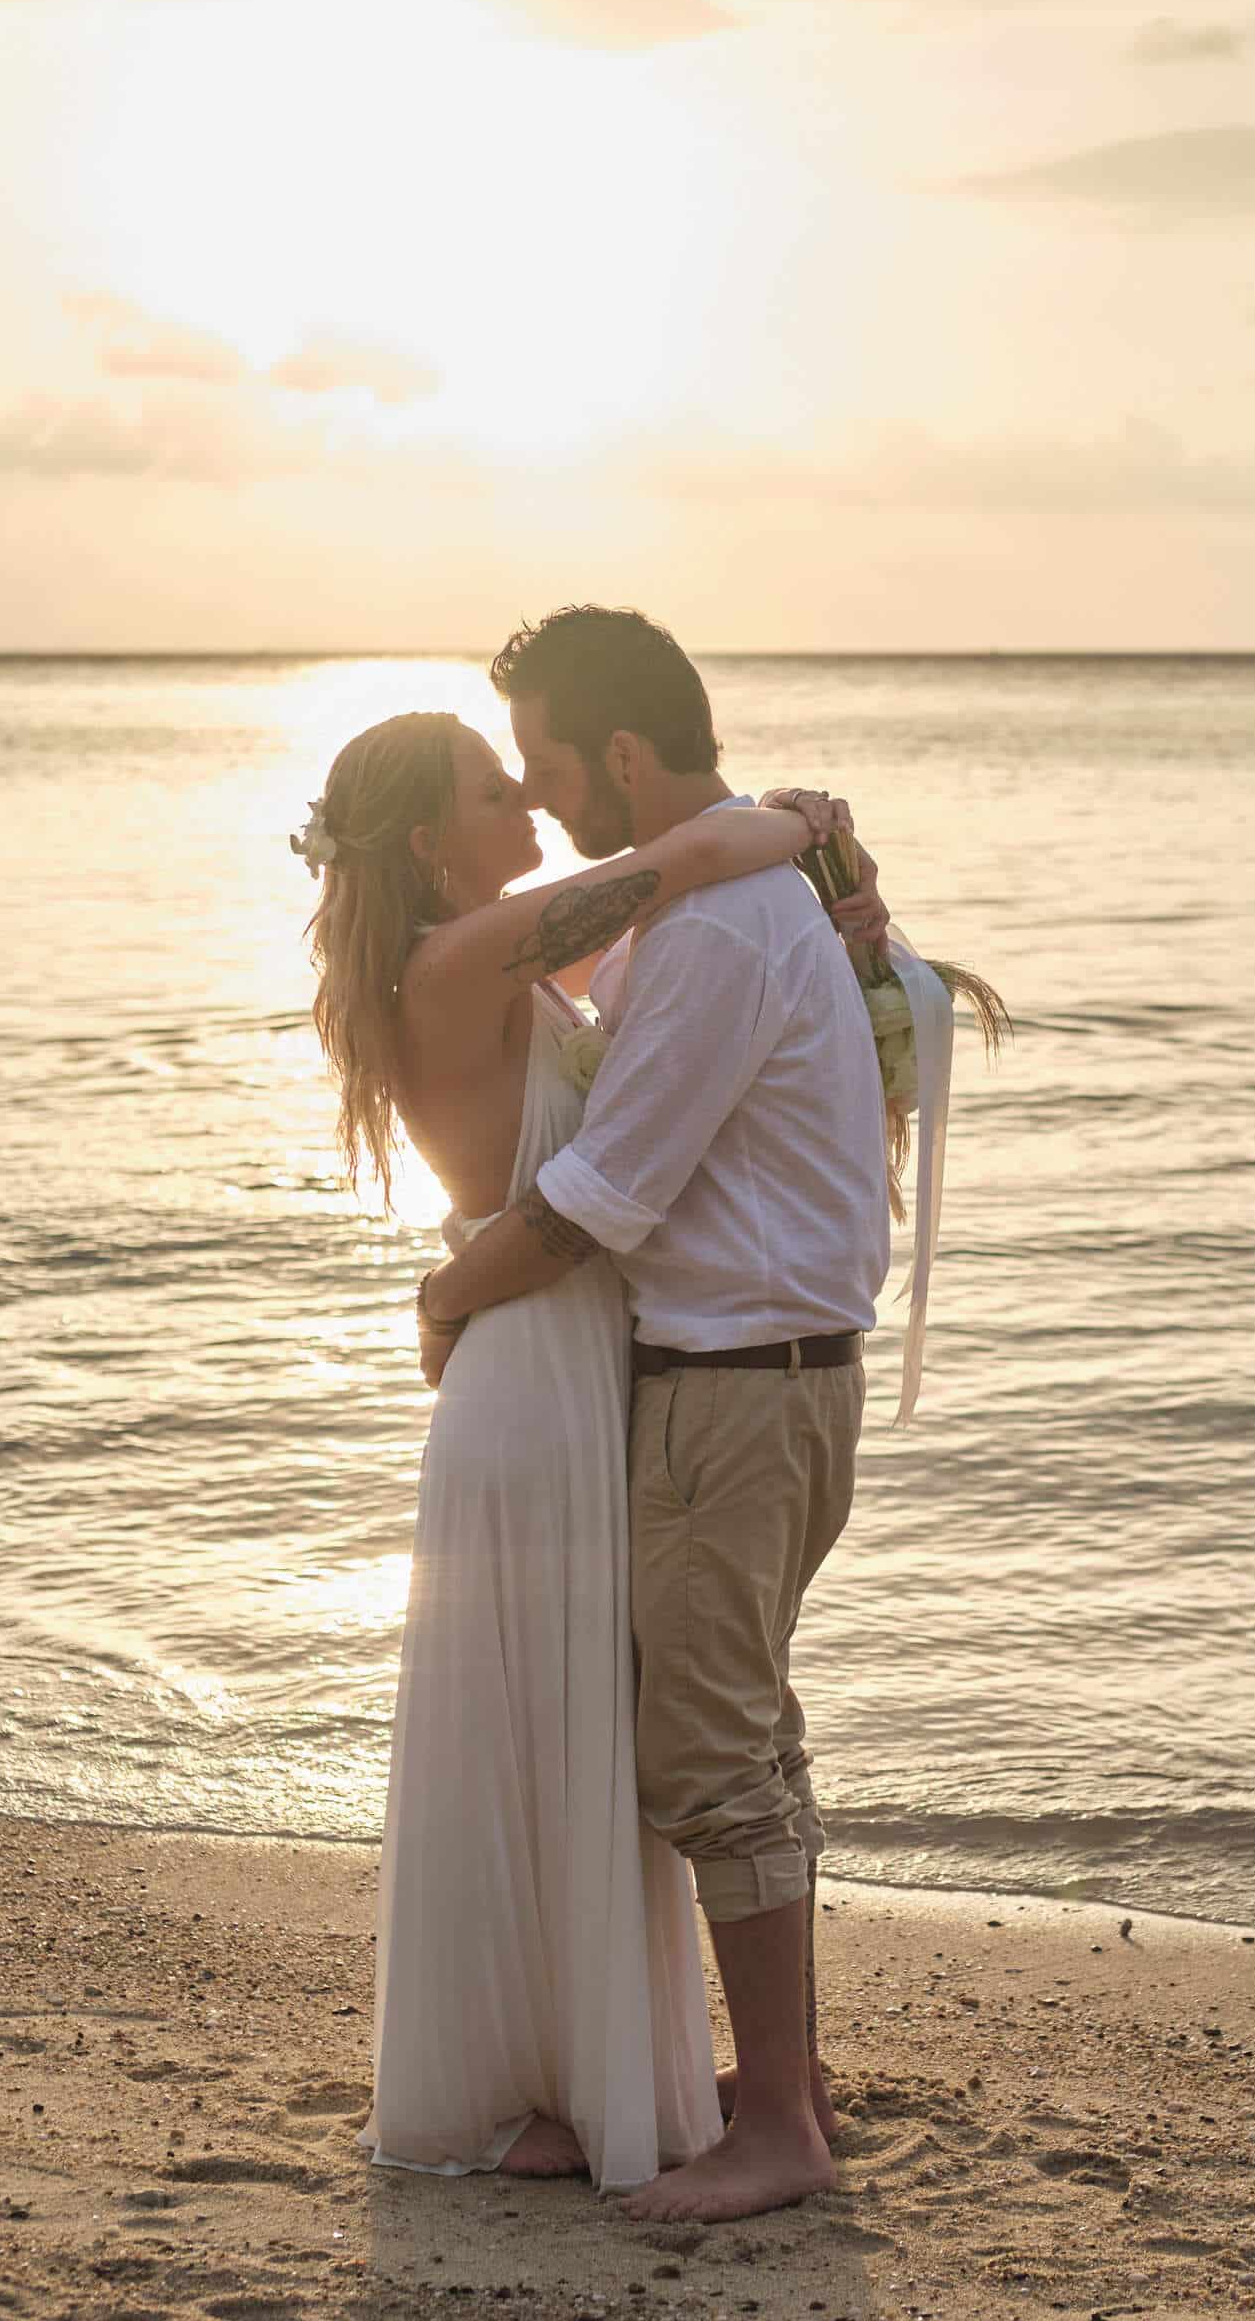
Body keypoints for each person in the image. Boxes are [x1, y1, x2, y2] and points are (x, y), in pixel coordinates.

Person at [296, 701, 868, 2192]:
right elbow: (689, 859)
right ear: (430, 837)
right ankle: (532, 2085)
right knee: (546, 1729)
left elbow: (682, 955)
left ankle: (577, 2073)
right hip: (535, 1377)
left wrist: (845, 936)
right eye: (499, 790)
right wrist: (799, 819)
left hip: (564, 1365)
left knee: (572, 1732)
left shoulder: (500, 958)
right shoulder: (461, 958)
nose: (532, 808)